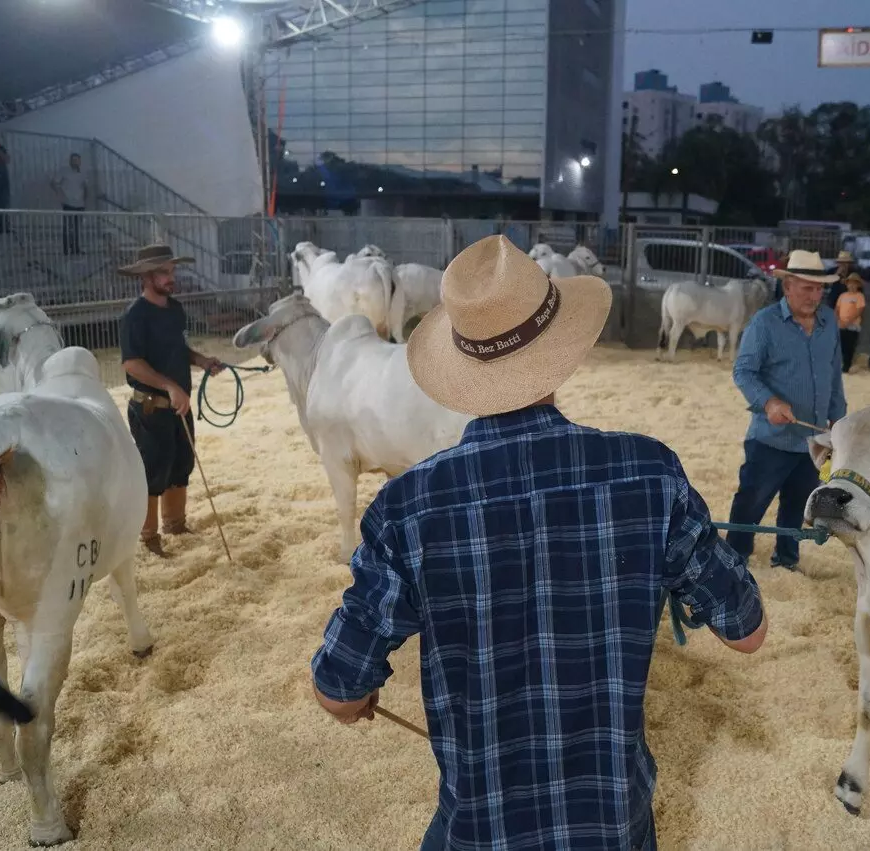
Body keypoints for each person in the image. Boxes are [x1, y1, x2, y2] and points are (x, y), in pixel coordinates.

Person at [309, 235, 767, 851]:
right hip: (612, 824)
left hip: (482, 827)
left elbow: (337, 692)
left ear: (460, 366)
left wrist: (358, 694)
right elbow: (748, 632)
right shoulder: (648, 473)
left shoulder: (406, 508)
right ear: (563, 353)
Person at [728, 249, 846, 572]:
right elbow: (743, 371)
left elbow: (834, 374)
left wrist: (839, 419)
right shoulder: (765, 323)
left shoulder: (829, 323)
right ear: (788, 286)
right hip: (770, 438)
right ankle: (734, 560)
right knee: (751, 501)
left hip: (813, 439)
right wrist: (769, 402)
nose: (814, 295)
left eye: (819, 288)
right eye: (807, 287)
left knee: (798, 505)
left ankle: (787, 560)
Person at [117, 243, 222, 555]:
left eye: (172, 271)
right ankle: (148, 538)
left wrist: (202, 360)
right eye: (164, 272)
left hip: (178, 405)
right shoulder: (134, 316)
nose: (171, 277)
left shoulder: (175, 310)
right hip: (151, 408)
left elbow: (178, 350)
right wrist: (170, 387)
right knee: (153, 470)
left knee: (182, 463)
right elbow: (132, 363)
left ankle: (175, 524)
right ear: (146, 277)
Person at [51, 152, 88, 255]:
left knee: (76, 228)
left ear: (80, 162)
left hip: (80, 204)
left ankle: (76, 248)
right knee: (68, 227)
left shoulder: (83, 173)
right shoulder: (64, 171)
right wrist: (60, 194)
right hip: (68, 203)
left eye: (77, 160)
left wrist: (84, 201)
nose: (75, 162)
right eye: (73, 160)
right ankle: (66, 249)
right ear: (70, 161)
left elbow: (85, 187)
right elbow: (53, 183)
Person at [835, 272, 866, 373]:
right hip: (841, 324)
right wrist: (838, 320)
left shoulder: (859, 296)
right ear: (847, 284)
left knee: (850, 346)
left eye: (854, 283)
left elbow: (859, 310)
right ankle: (841, 364)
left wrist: (848, 321)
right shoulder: (842, 296)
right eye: (850, 283)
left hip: (853, 325)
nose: (852, 285)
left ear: (858, 285)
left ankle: (847, 365)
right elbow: (837, 309)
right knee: (841, 345)